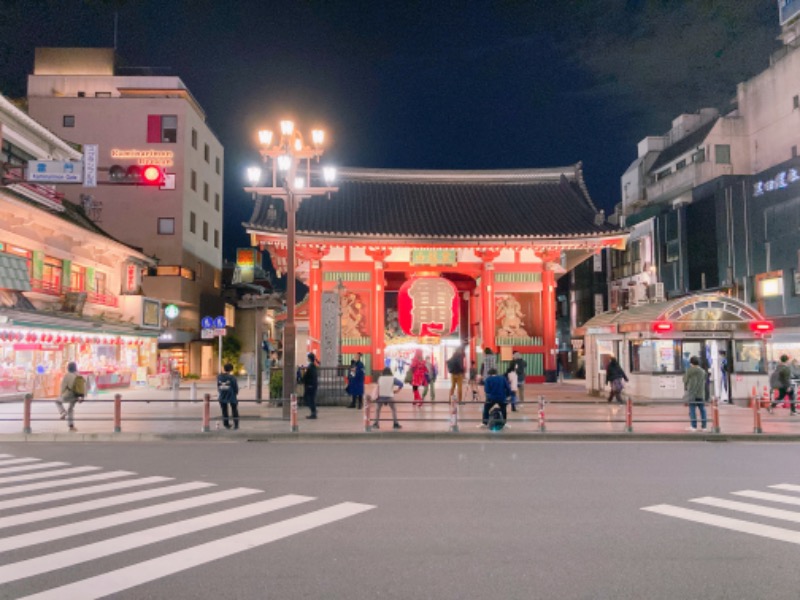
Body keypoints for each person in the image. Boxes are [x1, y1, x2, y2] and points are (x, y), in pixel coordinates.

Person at [56, 361, 84, 432]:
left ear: (68, 368)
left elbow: (63, 386)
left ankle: (62, 412)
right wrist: (82, 397)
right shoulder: (78, 375)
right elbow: (82, 387)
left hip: (67, 395)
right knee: (70, 409)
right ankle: (71, 426)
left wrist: (61, 394)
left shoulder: (67, 375)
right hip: (75, 396)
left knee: (57, 401)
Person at [683, 356, 707, 431]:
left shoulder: (689, 370)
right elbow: (705, 380)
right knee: (702, 410)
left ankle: (693, 426)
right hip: (701, 393)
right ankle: (704, 427)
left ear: (691, 363)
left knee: (692, 410)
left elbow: (685, 380)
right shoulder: (703, 371)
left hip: (692, 393)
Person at [217, 362, 240, 430]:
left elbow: (218, 386)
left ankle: (226, 424)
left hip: (222, 395)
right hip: (231, 395)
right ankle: (236, 424)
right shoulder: (232, 378)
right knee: (234, 410)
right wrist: (235, 393)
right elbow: (235, 387)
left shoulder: (219, 377)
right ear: (231, 370)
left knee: (224, 410)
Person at [302, 352, 319, 419]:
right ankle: (313, 410)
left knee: (309, 399)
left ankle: (313, 411)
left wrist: (303, 380)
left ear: (309, 358)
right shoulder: (313, 366)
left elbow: (307, 376)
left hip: (310, 385)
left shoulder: (311, 367)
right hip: (312, 385)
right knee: (310, 399)